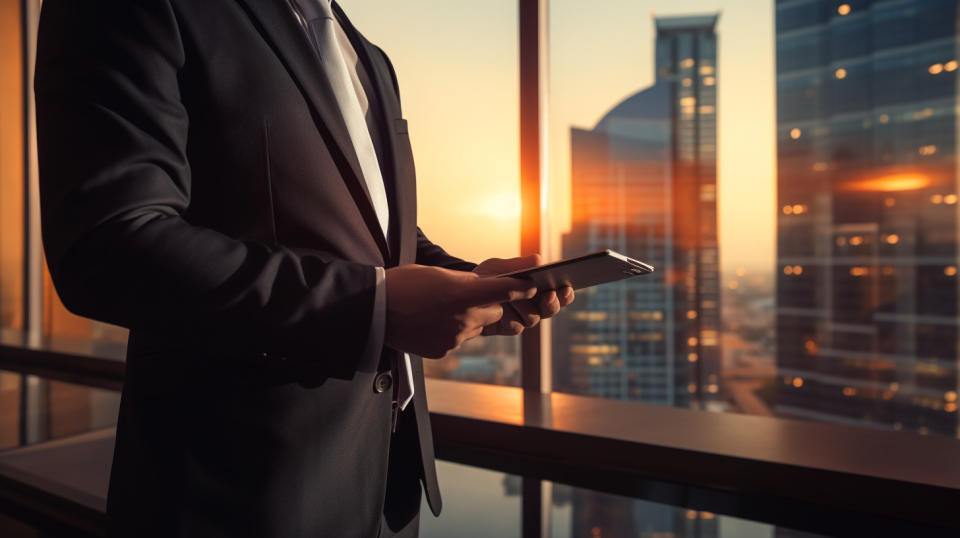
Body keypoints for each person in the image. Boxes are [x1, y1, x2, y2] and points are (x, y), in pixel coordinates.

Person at [34, 0, 573, 536]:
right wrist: (374, 306)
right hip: (235, 498)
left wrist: (475, 284)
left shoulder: (366, 54)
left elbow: (380, 238)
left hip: (385, 496)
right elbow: (110, 244)